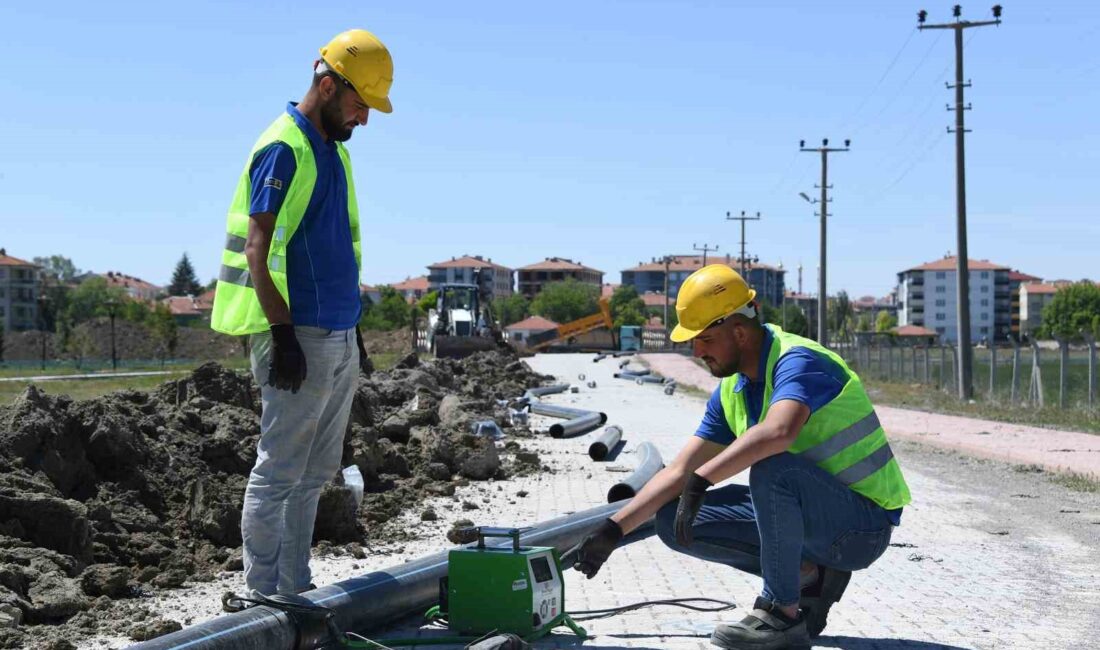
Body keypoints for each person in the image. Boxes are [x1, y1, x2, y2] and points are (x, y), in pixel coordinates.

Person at [570, 265, 911, 650]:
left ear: (739, 331)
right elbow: (682, 469)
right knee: (673, 519)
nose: (697, 352)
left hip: (861, 528)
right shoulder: (733, 389)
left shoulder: (799, 361)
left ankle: (781, 616)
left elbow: (779, 432)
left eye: (706, 339)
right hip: (816, 519)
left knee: (772, 468)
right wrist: (614, 530)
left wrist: (703, 480)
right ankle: (810, 575)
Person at [209, 28, 393, 598]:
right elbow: (257, 250)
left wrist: (354, 327)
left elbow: (336, 245)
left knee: (314, 476)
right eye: (361, 103)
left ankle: (295, 588)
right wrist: (282, 336)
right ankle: (261, 596)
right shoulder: (282, 148)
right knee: (279, 473)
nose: (364, 118)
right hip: (301, 336)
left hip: (336, 331)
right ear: (328, 84)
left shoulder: (333, 151)